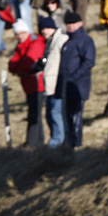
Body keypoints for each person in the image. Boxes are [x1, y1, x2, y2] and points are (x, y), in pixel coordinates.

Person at [58, 10, 93, 148]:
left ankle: (77, 145)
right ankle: (69, 144)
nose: (71, 26)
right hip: (66, 86)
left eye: (73, 23)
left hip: (78, 86)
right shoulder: (68, 42)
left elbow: (89, 62)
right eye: (68, 24)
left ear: (81, 23)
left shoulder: (85, 40)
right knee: (67, 117)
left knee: (76, 117)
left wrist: (75, 76)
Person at [7, 18, 45, 147]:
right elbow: (12, 64)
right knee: (34, 112)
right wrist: (18, 67)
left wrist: (19, 68)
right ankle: (37, 141)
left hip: (37, 84)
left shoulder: (36, 43)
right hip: (28, 85)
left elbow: (27, 64)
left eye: (21, 33)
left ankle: (32, 142)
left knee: (34, 113)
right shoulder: (21, 46)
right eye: (17, 34)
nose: (19, 36)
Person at [39, 15, 66, 147]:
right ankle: (56, 140)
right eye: (43, 29)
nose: (45, 31)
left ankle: (58, 141)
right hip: (50, 85)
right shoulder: (50, 42)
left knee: (56, 114)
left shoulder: (61, 40)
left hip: (57, 84)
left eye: (47, 28)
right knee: (50, 115)